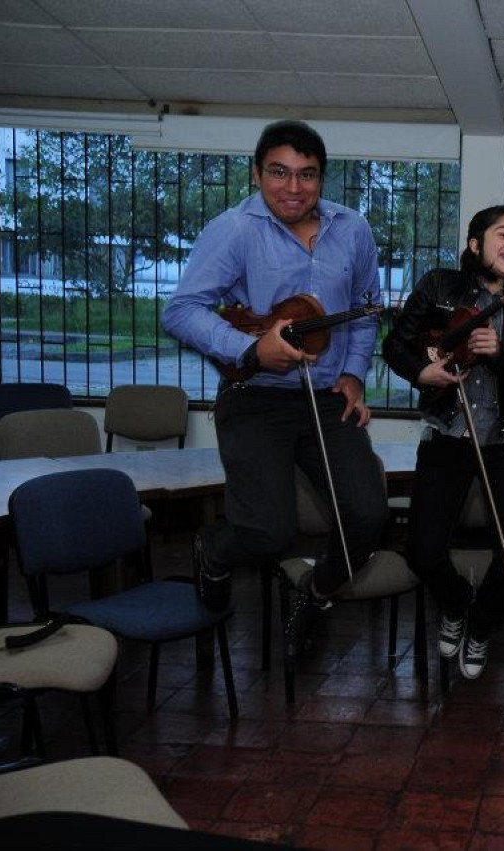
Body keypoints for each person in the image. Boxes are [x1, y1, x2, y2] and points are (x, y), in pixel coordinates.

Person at [162, 119, 387, 662]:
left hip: (326, 398)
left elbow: (363, 313)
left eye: (307, 175)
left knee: (369, 516)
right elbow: (181, 311)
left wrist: (355, 374)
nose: (293, 187)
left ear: (322, 177)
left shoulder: (353, 229)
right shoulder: (233, 229)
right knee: (268, 534)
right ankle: (213, 549)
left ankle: (315, 593)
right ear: (257, 172)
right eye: (279, 173)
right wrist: (250, 349)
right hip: (256, 398)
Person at [381, 204, 504, 680]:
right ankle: (456, 603)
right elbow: (395, 344)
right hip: (447, 435)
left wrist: (500, 357)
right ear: (476, 245)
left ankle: (481, 624)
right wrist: (422, 371)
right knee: (422, 550)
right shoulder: (440, 286)